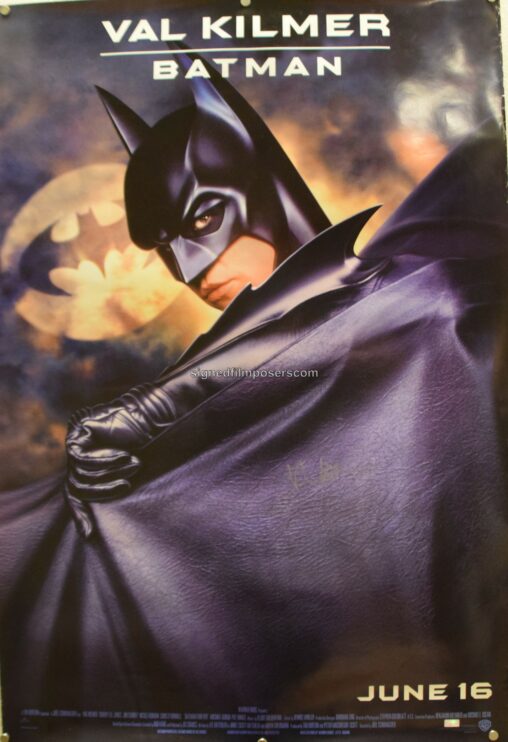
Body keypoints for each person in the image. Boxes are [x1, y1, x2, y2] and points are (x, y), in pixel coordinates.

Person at [2, 51, 508, 736]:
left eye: (201, 221)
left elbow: (377, 315)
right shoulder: (226, 367)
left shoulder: (422, 286)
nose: (190, 268)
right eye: (165, 247)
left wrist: (159, 406)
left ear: (262, 186)